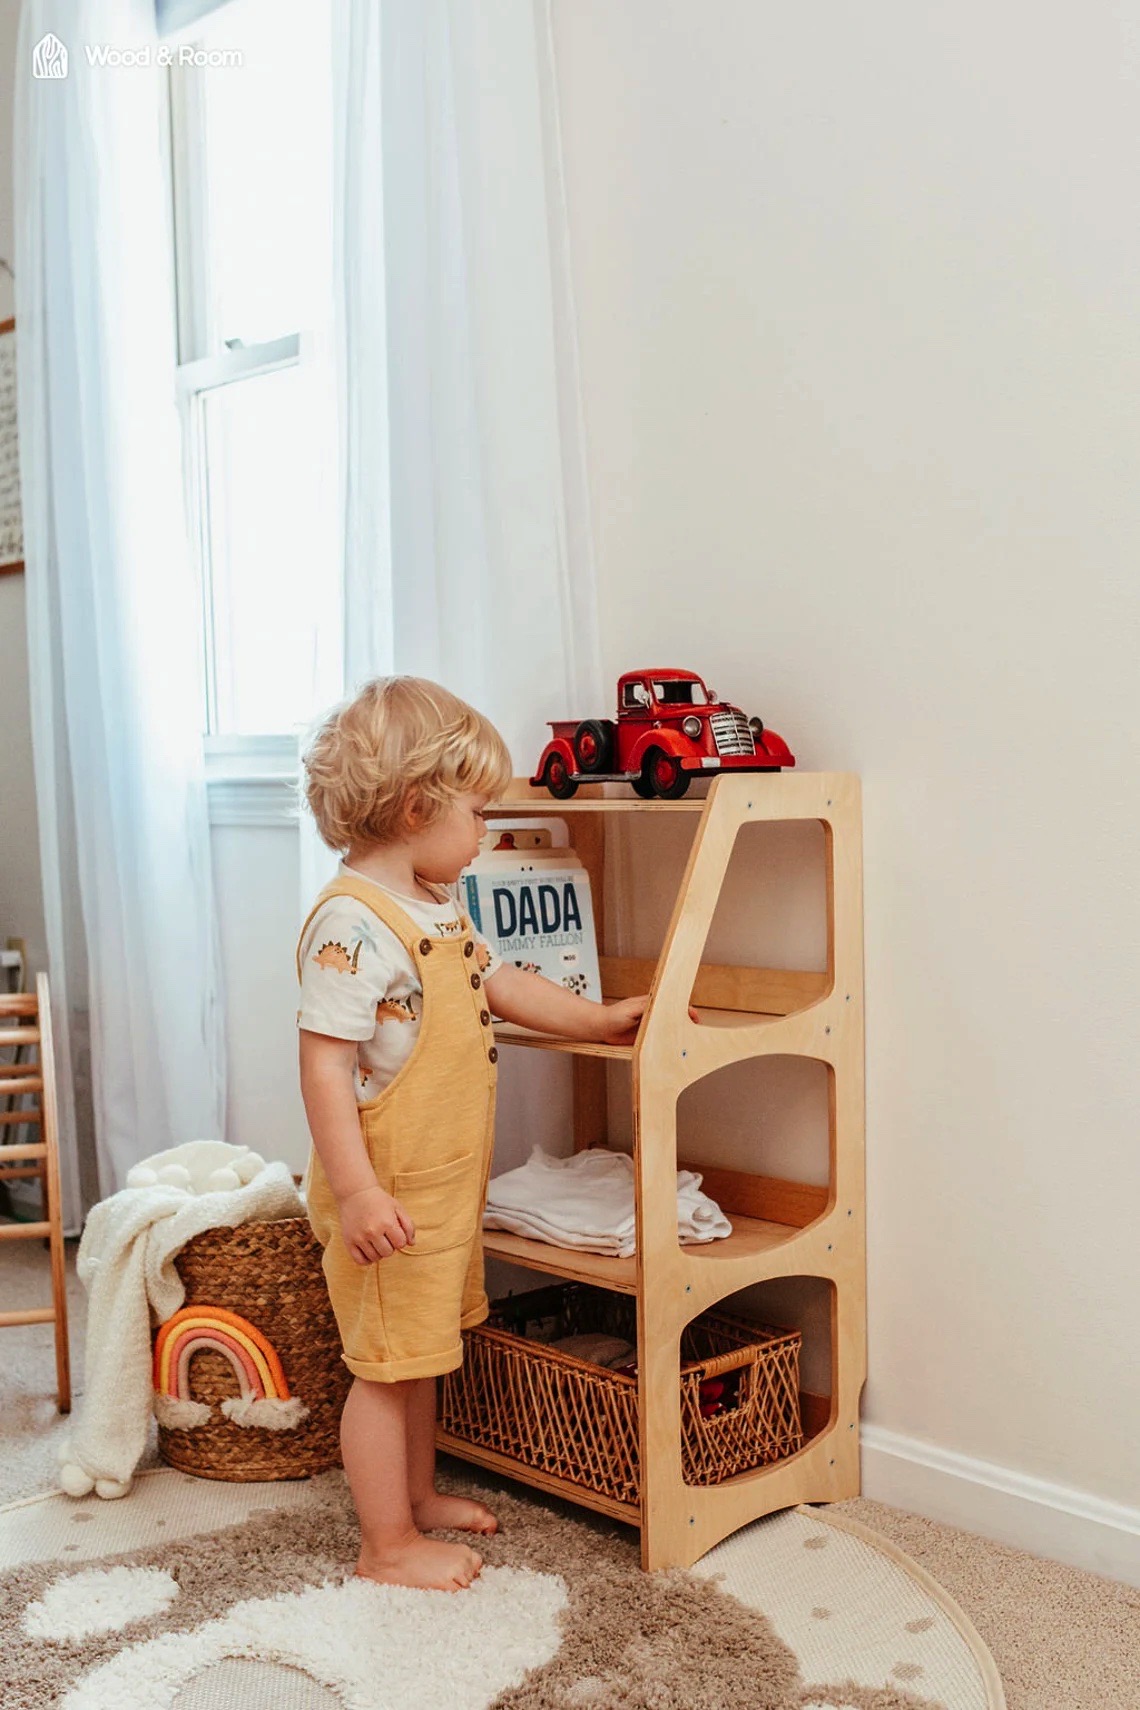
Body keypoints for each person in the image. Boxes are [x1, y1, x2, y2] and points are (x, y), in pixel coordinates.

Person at [297, 676, 648, 1593]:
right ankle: (386, 1545)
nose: (486, 832)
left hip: (444, 1184)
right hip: (387, 1193)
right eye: (478, 813)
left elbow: (501, 983)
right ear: (417, 807)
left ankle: (411, 1499)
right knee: (384, 1367)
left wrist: (600, 1019)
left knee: (423, 1356)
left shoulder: (438, 903)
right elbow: (325, 1068)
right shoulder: (350, 926)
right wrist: (362, 1191)